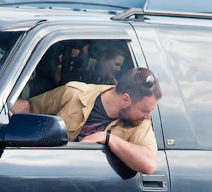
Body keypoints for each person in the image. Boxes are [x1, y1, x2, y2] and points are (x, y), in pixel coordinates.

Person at [10, 66, 162, 176]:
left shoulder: (139, 122)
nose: (148, 116)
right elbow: (30, 108)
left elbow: (149, 164)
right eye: (145, 110)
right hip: (48, 175)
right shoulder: (74, 94)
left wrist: (108, 138)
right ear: (125, 99)